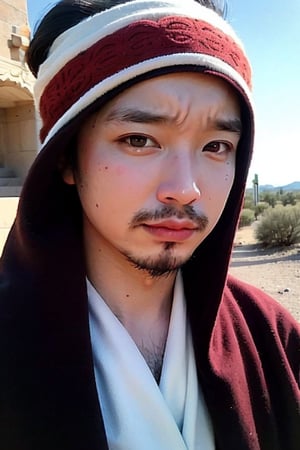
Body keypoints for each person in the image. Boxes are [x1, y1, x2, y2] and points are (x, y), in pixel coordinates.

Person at [0, 0, 299, 448]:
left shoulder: (270, 334)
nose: (185, 189)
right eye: (139, 140)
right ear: (65, 156)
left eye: (217, 146)